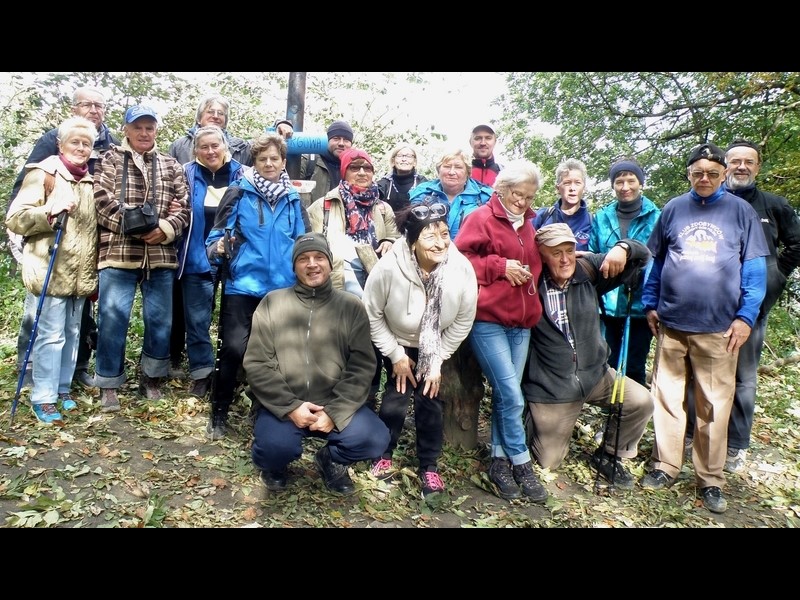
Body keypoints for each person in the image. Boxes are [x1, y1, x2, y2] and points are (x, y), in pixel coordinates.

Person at [640, 142, 769, 514]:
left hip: (718, 329)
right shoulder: (673, 209)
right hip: (672, 324)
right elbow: (657, 261)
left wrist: (746, 317)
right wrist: (651, 303)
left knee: (713, 405)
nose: (705, 178)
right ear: (689, 174)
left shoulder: (740, 211)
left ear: (724, 173)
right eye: (698, 173)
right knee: (666, 399)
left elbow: (755, 270)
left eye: (713, 172)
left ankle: (710, 479)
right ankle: (665, 465)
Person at [685, 140, 800, 473]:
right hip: (708, 306)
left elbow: (796, 244)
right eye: (734, 161)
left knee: (743, 377)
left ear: (757, 166)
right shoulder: (709, 203)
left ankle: (736, 445)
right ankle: (693, 434)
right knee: (698, 373)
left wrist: (775, 275)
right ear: (724, 168)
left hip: (751, 309)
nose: (741, 167)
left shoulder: (774, 206)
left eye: (748, 162)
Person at [245, 233, 390, 495]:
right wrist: (290, 407)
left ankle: (330, 460)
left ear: (330, 263)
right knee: (273, 449)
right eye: (303, 259)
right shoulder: (272, 303)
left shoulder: (351, 306)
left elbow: (361, 366)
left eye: (319, 257)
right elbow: (258, 363)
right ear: (294, 266)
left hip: (334, 402)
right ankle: (276, 465)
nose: (312, 264)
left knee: (375, 439)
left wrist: (334, 412)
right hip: (285, 404)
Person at [522, 223, 653, 489]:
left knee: (641, 401)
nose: (565, 259)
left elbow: (642, 255)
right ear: (541, 256)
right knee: (549, 461)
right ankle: (531, 416)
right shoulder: (530, 283)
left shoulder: (587, 270)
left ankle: (608, 455)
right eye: (556, 252)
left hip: (596, 376)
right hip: (552, 387)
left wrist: (622, 248)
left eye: (569, 250)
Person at [362, 197, 477, 498]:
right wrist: (397, 356)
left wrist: (437, 359)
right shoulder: (389, 268)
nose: (441, 244)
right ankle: (382, 455)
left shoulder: (461, 268)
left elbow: (464, 319)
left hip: (435, 343)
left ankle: (429, 466)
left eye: (444, 234)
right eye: (430, 236)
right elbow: (372, 313)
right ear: (412, 241)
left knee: (430, 400)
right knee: (396, 395)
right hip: (398, 340)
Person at [7, 86, 119, 389]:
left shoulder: (112, 147)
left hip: (84, 255)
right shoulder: (48, 150)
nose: (94, 110)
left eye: (100, 105)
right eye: (87, 104)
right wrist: (39, 220)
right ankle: (30, 369)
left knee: (76, 322)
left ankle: (70, 374)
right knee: (40, 315)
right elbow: (23, 197)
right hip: (49, 252)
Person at [454, 159, 548, 502]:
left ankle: (498, 460)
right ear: (501, 189)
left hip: (522, 323)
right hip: (487, 319)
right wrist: (499, 265)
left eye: (529, 196)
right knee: (510, 393)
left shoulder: (530, 225)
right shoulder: (480, 218)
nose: (523, 202)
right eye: (517, 194)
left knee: (506, 394)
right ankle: (521, 462)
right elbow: (458, 259)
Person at [204, 132, 308, 440]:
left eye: (274, 158)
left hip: (282, 291)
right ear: (254, 162)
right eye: (262, 159)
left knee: (277, 355)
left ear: (282, 162)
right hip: (243, 286)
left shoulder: (293, 199)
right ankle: (219, 411)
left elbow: (304, 243)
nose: (268, 164)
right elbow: (213, 239)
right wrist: (219, 249)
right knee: (234, 349)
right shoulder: (238, 192)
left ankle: (264, 411)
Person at [93, 105, 191, 412]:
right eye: (138, 127)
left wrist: (165, 228)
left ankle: (151, 377)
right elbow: (100, 200)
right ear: (126, 129)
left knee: (159, 319)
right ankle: (108, 382)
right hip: (118, 252)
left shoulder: (170, 163)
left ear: (156, 130)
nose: (144, 133)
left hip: (160, 254)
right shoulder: (110, 159)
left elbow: (185, 205)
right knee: (112, 319)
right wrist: (134, 227)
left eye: (150, 127)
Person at [5, 116, 99, 424]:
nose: (81, 148)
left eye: (86, 143)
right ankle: (43, 397)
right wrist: (48, 211)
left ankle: (62, 389)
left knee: (73, 332)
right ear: (61, 144)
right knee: (50, 335)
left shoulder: (89, 181)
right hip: (50, 268)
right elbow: (16, 218)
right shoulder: (43, 173)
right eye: (75, 142)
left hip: (79, 273)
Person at [307, 147, 402, 408]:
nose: (361, 172)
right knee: (338, 347)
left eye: (367, 168)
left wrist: (388, 242)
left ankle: (367, 401)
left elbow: (394, 238)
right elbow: (312, 246)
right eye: (354, 167)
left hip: (374, 286)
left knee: (370, 347)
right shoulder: (323, 206)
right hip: (338, 286)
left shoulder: (383, 208)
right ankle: (332, 403)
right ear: (344, 171)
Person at [173, 125, 245, 398]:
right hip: (196, 256)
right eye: (204, 147)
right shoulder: (186, 173)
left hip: (234, 257)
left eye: (215, 145)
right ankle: (202, 373)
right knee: (198, 320)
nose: (210, 151)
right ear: (196, 150)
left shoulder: (243, 173)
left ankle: (231, 373)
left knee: (234, 320)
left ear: (225, 146)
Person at [589, 157, 661, 387]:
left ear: (640, 183)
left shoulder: (656, 216)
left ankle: (633, 415)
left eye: (631, 180)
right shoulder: (601, 217)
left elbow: (661, 257)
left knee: (634, 365)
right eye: (619, 181)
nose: (625, 187)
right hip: (607, 304)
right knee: (607, 362)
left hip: (641, 304)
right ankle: (610, 415)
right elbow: (592, 253)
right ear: (613, 185)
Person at [167, 94, 293, 167]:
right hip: (191, 208)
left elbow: (265, 143)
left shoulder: (242, 147)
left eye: (220, 113)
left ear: (225, 121)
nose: (215, 116)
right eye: (210, 112)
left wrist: (281, 123)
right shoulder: (179, 146)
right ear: (199, 119)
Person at [409, 148, 493, 240]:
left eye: (458, 167)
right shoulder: (422, 193)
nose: (451, 172)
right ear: (438, 170)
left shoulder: (485, 197)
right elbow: (411, 230)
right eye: (447, 166)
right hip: (431, 251)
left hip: (469, 252)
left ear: (467, 172)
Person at [532, 158, 593, 251]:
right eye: (567, 183)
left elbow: (600, 257)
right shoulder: (542, 216)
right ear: (558, 188)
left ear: (584, 188)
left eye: (577, 183)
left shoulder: (592, 222)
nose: (572, 188)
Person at [297, 119, 354, 207]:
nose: (341, 143)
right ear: (327, 140)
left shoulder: (354, 169)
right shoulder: (310, 162)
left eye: (346, 140)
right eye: (336, 139)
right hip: (313, 219)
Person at [376, 142, 428, 230]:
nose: (404, 159)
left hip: (416, 230)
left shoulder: (423, 184)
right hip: (388, 231)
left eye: (408, 156)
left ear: (415, 162)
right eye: (400, 156)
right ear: (393, 161)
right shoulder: (383, 185)